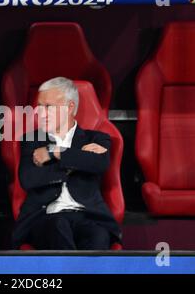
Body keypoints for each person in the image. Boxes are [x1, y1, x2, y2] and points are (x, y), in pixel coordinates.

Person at [12, 77, 121, 250]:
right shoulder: (32, 140)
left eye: (48, 107)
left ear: (70, 107)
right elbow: (29, 179)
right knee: (58, 226)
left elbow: (100, 164)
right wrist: (79, 160)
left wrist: (55, 152)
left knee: (98, 236)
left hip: (88, 215)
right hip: (46, 217)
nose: (40, 113)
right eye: (39, 106)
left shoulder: (97, 138)